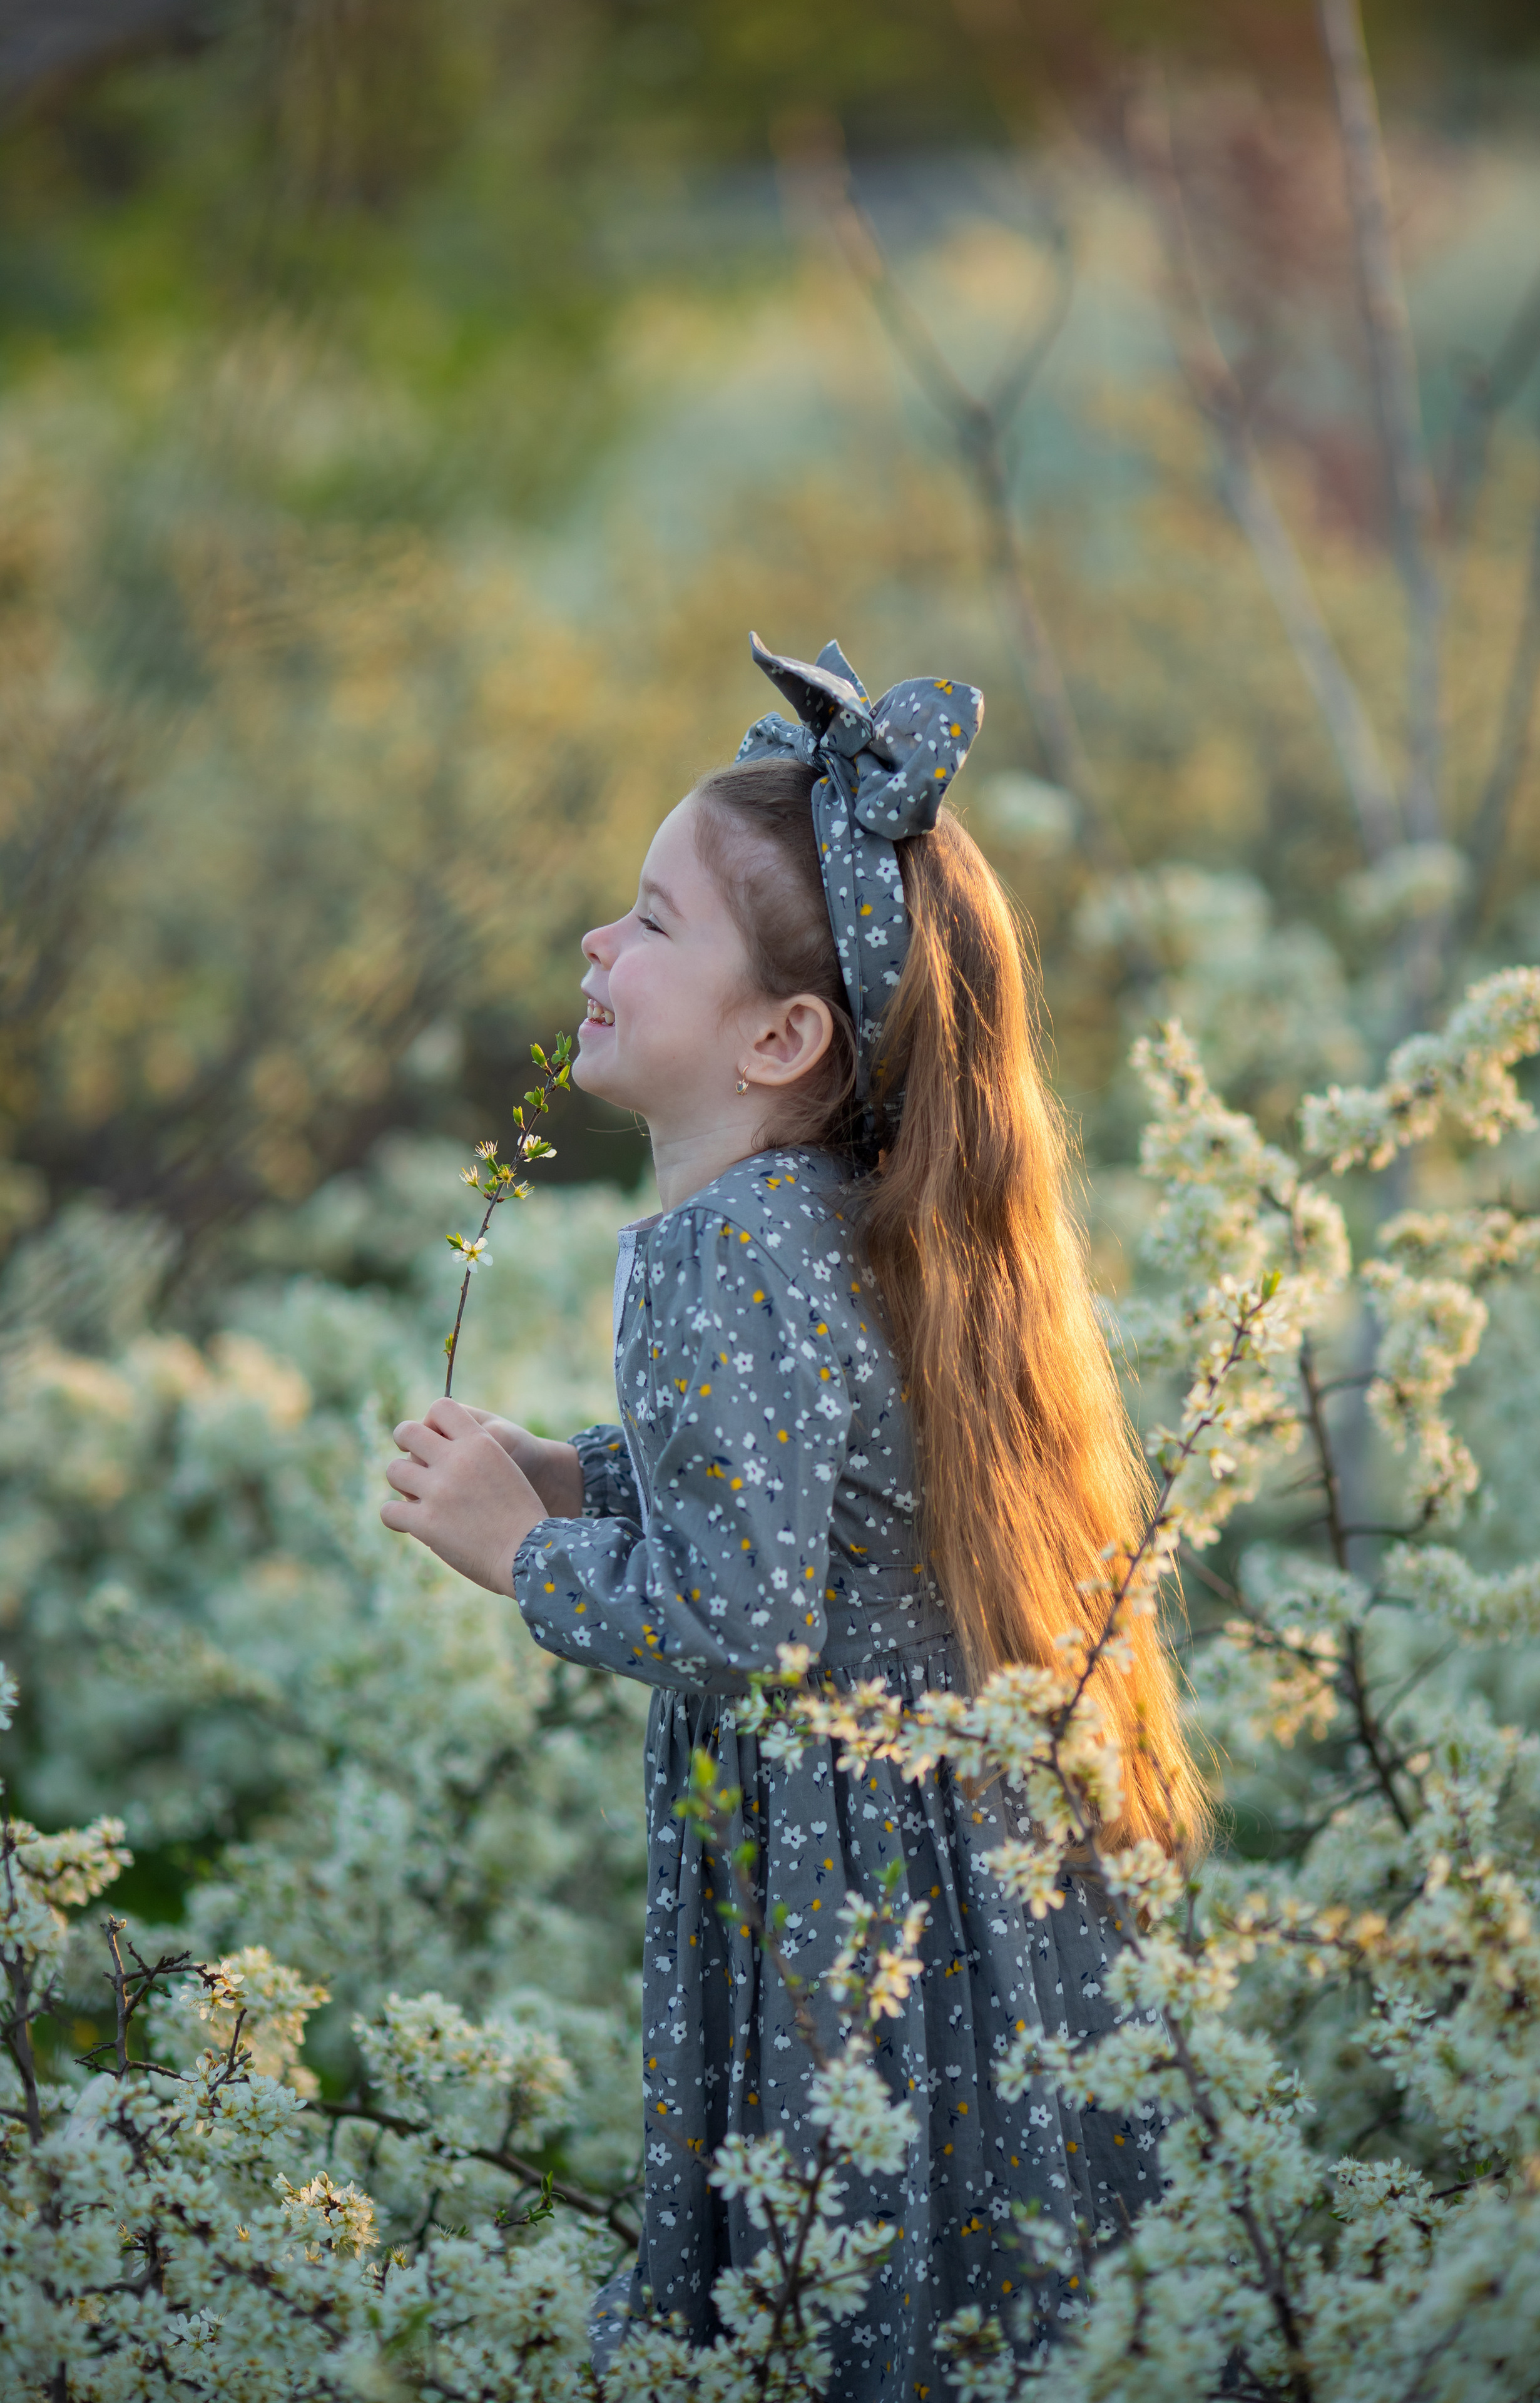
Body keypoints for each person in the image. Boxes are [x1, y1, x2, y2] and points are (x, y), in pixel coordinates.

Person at [379, 634, 1206, 2398]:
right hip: (960, 1869)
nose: (599, 947)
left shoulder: (726, 1250)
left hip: (848, 1893)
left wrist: (516, 1552)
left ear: (783, 1033)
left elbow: (749, 1628)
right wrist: (585, 1474)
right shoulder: (834, 1215)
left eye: (653, 922)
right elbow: (824, 1500)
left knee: (860, 2294)